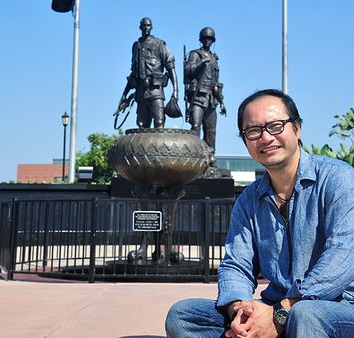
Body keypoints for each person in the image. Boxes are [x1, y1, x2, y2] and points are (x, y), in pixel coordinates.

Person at [165, 88, 354, 337]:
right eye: (253, 131)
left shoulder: (338, 179)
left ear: (297, 128)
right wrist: (240, 310)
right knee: (184, 315)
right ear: (245, 141)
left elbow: (342, 257)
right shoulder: (249, 200)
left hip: (339, 309)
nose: (265, 138)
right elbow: (236, 265)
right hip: (278, 307)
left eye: (276, 126)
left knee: (306, 314)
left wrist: (282, 312)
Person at [116, 17, 178, 129]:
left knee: (159, 122)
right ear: (140, 27)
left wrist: (175, 91)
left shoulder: (159, 44)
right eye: (144, 25)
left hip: (155, 92)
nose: (146, 28)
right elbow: (133, 73)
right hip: (141, 93)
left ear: (151, 27)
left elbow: (171, 67)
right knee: (141, 125)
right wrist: (124, 94)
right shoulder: (136, 46)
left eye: (148, 25)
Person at [184, 27, 226, 155]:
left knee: (211, 130)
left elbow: (217, 82)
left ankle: (210, 158)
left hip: (211, 98)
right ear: (201, 39)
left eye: (210, 39)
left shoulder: (214, 58)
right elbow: (187, 70)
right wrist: (201, 62)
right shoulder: (195, 54)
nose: (208, 41)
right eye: (205, 38)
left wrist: (221, 101)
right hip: (198, 97)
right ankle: (195, 155)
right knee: (196, 126)